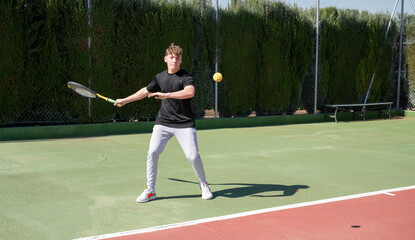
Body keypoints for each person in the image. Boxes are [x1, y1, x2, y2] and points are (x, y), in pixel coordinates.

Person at [114, 43, 213, 202]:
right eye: (172, 57)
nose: (174, 60)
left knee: (193, 156)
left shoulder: (186, 77)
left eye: (178, 58)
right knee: (152, 152)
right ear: (166, 59)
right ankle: (151, 190)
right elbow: (145, 91)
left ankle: (203, 184)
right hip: (164, 122)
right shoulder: (160, 77)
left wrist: (166, 95)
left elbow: (190, 92)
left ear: (181, 61)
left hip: (184, 123)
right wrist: (125, 100)